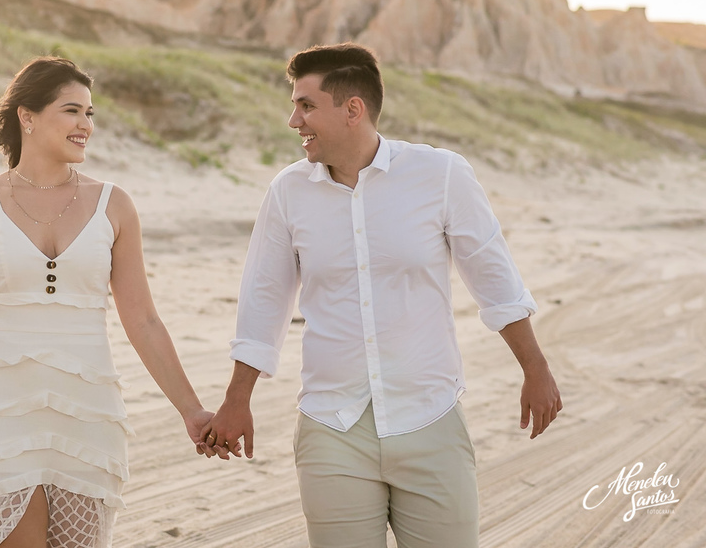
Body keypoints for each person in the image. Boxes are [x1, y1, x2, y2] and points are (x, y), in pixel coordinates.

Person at [200, 43, 562, 548]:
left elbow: (494, 278)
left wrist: (535, 369)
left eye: (306, 105)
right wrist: (236, 400)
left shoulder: (441, 175)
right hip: (332, 427)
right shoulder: (288, 191)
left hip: (429, 418)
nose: (294, 120)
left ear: (353, 109)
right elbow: (264, 299)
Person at [0, 56, 212, 548]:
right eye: (71, 111)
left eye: (90, 114)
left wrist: (191, 410)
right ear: (27, 116)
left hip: (87, 412)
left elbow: (143, 321)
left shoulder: (115, 204)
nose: (85, 125)